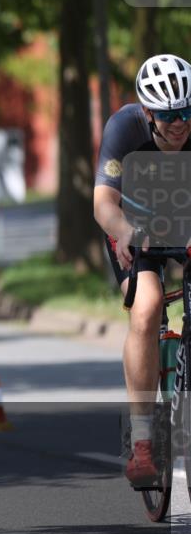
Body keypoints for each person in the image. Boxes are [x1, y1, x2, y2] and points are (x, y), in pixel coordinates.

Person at [93, 53, 191, 485]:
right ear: (148, 112)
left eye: (188, 111)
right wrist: (126, 232)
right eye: (170, 115)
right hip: (136, 220)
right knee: (148, 306)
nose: (181, 123)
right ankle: (144, 440)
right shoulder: (124, 128)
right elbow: (103, 203)